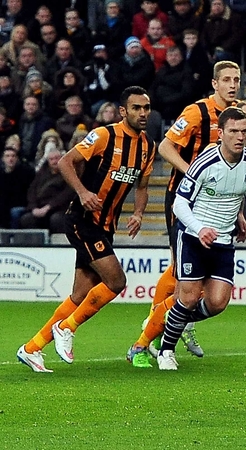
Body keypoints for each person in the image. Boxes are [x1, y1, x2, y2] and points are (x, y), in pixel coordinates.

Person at [16, 86, 155, 373]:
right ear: (123, 111)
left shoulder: (147, 147)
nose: (143, 113)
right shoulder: (105, 135)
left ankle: (31, 349)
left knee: (80, 295)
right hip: (83, 220)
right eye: (136, 108)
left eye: (146, 108)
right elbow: (67, 161)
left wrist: (139, 213)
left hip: (106, 226)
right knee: (116, 281)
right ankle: (66, 328)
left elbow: (142, 185)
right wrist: (81, 192)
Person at [140, 107, 246, 370]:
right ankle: (167, 350)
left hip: (224, 240)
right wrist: (199, 228)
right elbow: (179, 204)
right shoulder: (205, 162)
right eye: (233, 131)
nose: (239, 136)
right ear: (220, 133)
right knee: (188, 298)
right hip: (192, 237)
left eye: (243, 131)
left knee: (217, 303)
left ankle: (169, 319)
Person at [132, 61, 242, 362]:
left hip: (220, 204)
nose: (233, 85)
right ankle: (151, 330)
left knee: (204, 279)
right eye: (227, 80)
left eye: (237, 79)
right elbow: (166, 147)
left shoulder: (237, 117)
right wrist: (191, 173)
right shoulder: (197, 112)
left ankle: (179, 320)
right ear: (214, 83)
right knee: (180, 269)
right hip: (186, 199)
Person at [18, 145, 72, 233]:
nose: (54, 161)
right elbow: (32, 191)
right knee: (26, 219)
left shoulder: (68, 173)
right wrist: (34, 208)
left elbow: (67, 194)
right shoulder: (42, 173)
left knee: (56, 219)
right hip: (40, 207)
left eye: (57, 158)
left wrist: (48, 207)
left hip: (59, 208)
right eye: (51, 159)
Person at [0, 146, 34, 228]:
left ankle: (13, 237)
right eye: (7, 156)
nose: (10, 159)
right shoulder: (1, 175)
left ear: (17, 158)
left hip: (22, 205)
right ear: (3, 159)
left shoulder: (26, 173)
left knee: (14, 212)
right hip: (4, 205)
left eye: (13, 156)